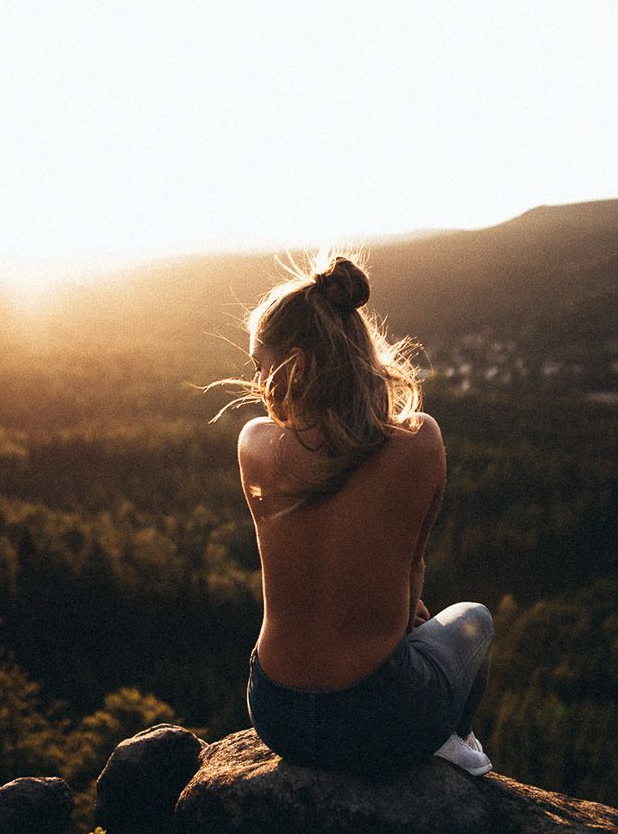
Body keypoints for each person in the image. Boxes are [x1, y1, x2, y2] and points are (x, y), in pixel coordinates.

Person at [210, 251, 494, 776]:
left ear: (295, 363)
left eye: (261, 366)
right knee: (475, 617)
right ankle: (452, 742)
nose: (257, 383)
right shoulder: (419, 439)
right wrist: (392, 620)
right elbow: (411, 569)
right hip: (379, 716)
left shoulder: (254, 444)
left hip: (276, 712)